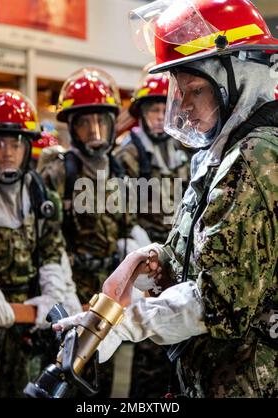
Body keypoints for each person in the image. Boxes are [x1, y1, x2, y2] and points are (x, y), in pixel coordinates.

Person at [55, 0, 278, 398]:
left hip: (247, 381)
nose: (184, 105)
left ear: (237, 79)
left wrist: (122, 323)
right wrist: (155, 259)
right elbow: (199, 253)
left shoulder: (253, 156)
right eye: (180, 89)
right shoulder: (223, 153)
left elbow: (219, 302)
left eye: (196, 89)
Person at [39, 67, 147, 397]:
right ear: (72, 126)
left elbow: (127, 222)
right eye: (85, 122)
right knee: (64, 374)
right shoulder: (58, 170)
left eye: (101, 120)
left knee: (103, 374)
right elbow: (47, 240)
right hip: (71, 288)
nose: (95, 130)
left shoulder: (119, 167)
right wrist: (61, 291)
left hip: (108, 290)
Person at [0, 89, 80, 397]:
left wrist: (53, 296)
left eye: (15, 144)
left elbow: (52, 252)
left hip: (25, 325)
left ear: (27, 148)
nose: (8, 152)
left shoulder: (40, 196)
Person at [115, 68, 191, 397]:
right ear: (140, 114)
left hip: (175, 255)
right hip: (143, 254)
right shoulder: (127, 153)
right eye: (153, 110)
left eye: (164, 109)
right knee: (147, 340)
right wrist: (140, 248)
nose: (160, 117)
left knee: (174, 342)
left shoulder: (183, 148)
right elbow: (119, 213)